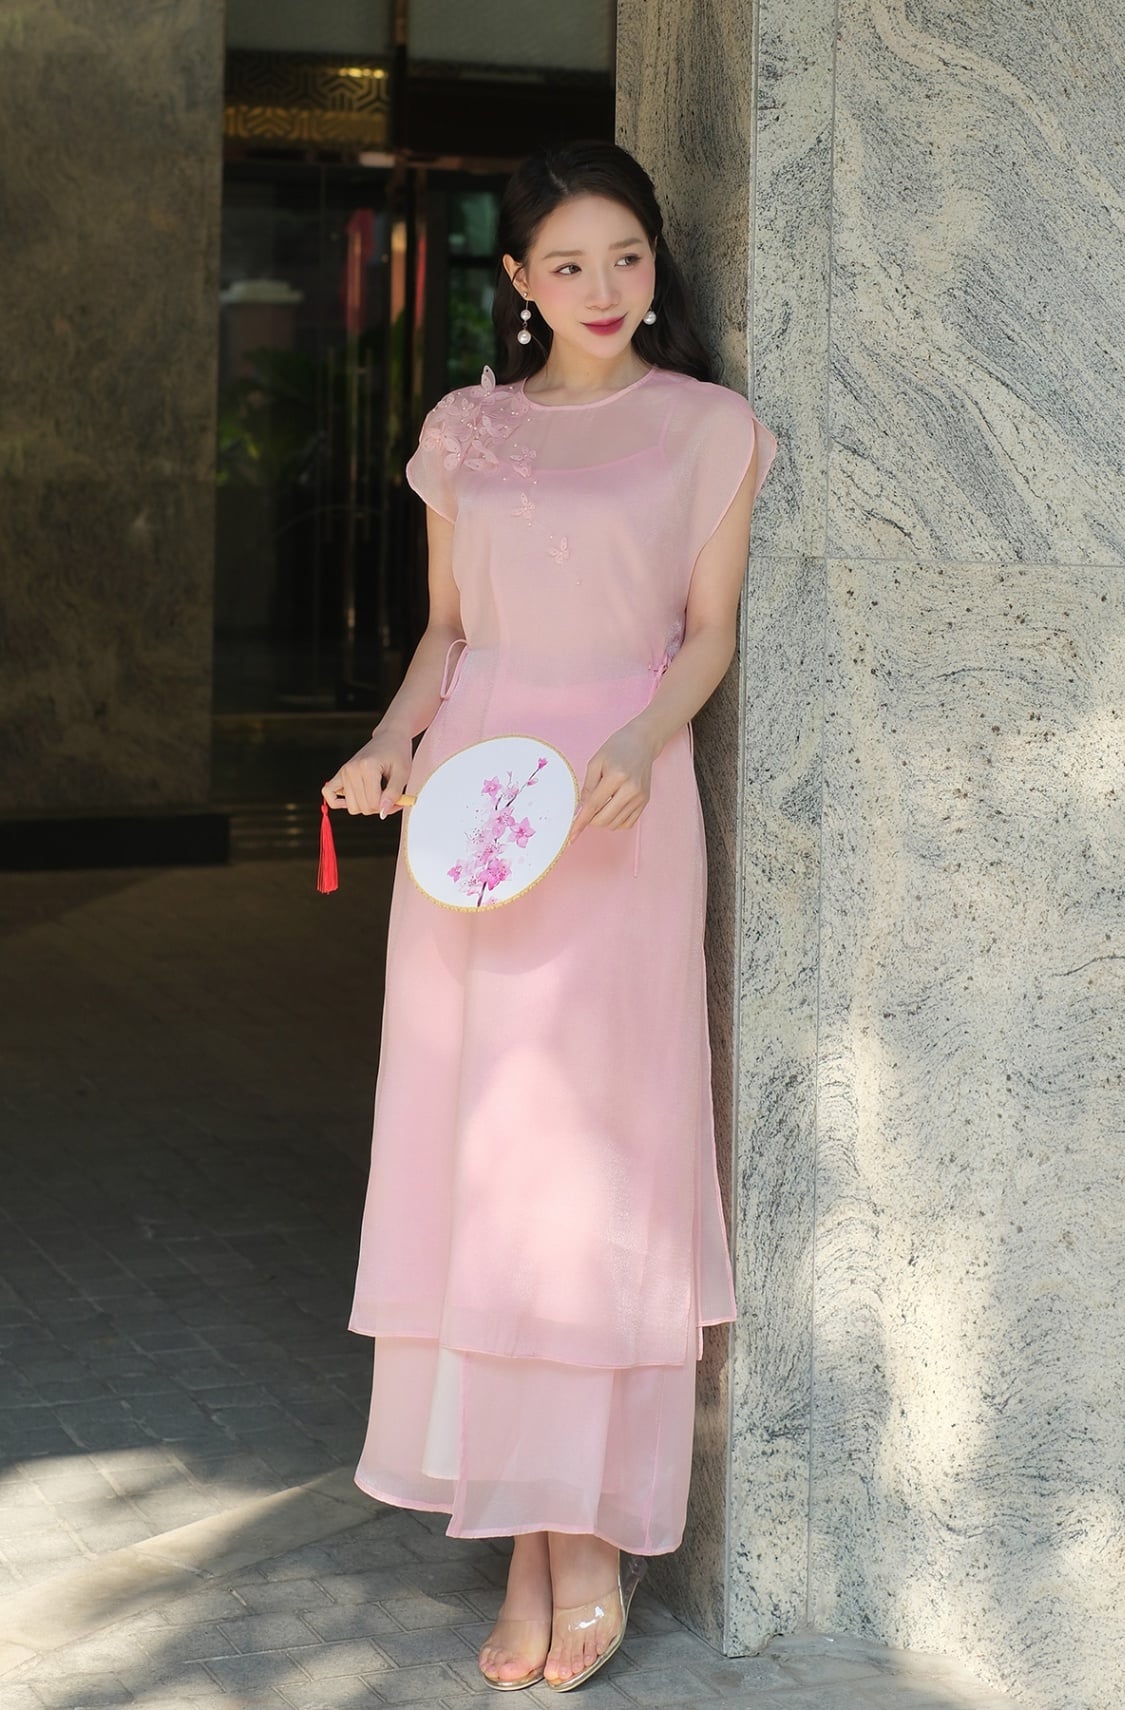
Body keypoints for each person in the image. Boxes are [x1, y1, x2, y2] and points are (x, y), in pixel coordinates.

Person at [322, 138, 779, 1693]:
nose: (603, 287)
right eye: (568, 263)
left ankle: (588, 1536)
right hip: (477, 820)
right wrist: (392, 746)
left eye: (626, 257)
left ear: (657, 264)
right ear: (515, 278)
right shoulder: (468, 430)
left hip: (619, 810)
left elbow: (706, 630)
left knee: (597, 1162)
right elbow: (446, 634)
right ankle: (528, 1527)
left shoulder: (709, 428)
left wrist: (645, 741)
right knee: (491, 1163)